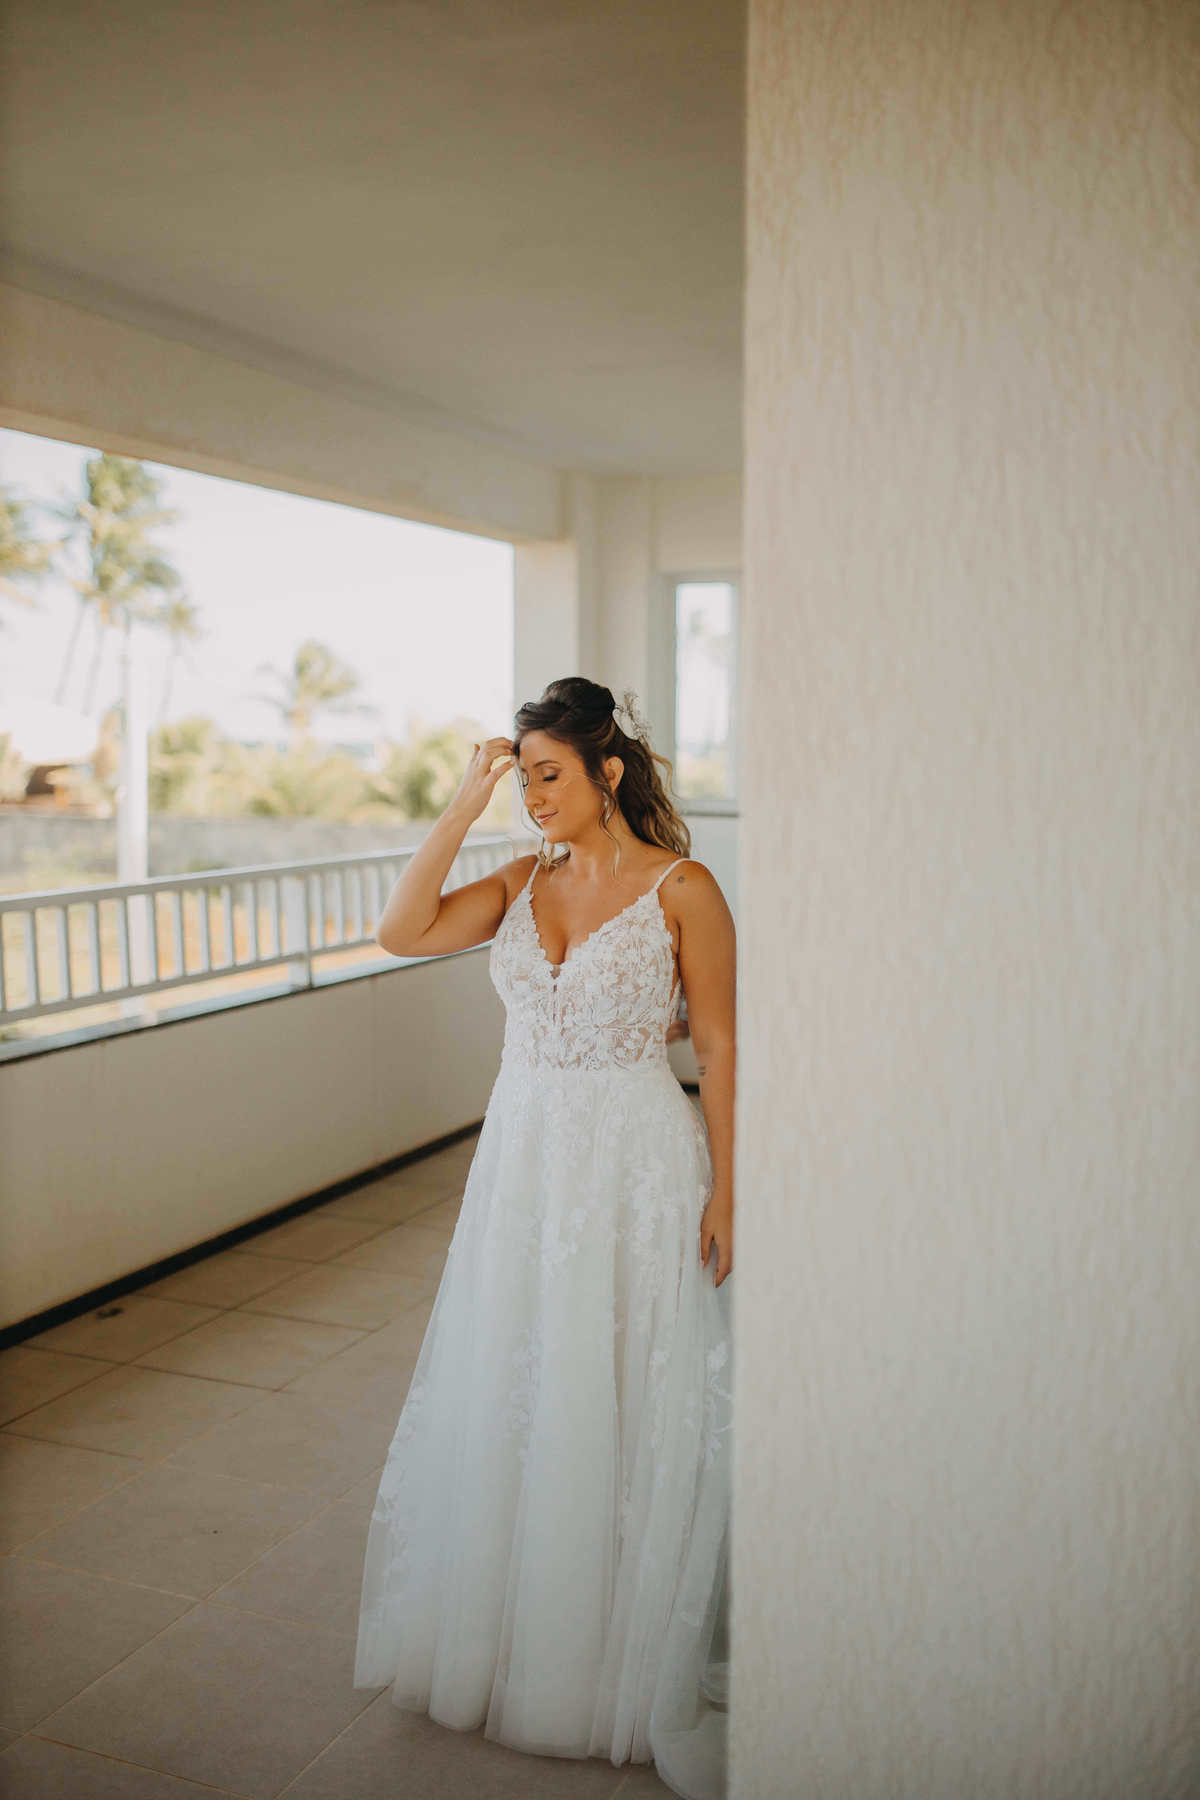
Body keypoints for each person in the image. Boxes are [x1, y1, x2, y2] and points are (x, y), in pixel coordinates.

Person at [353, 676, 735, 1800]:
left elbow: (719, 1043)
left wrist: (732, 1188)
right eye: (522, 776)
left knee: (616, 1382)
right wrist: (463, 806)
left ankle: (616, 1644)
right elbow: (399, 929)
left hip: (634, 1162)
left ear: (607, 772)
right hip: (522, 1167)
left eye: (548, 774)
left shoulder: (685, 887)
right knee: (519, 1381)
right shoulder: (519, 879)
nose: (533, 795)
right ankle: (521, 1630)